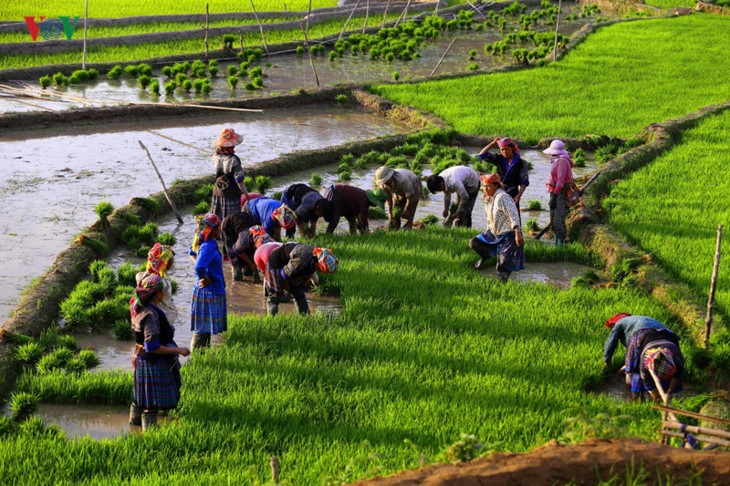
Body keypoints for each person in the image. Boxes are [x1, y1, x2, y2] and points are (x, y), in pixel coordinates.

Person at [129, 274, 190, 431]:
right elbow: (152, 346)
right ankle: (150, 438)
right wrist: (179, 350)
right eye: (163, 291)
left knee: (140, 397)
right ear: (157, 294)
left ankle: (134, 427)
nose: (164, 294)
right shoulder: (151, 315)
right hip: (152, 362)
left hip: (141, 358)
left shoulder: (139, 308)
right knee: (152, 403)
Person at [469, 173, 525, 282]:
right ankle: (486, 257)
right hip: (494, 233)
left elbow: (513, 214)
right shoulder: (489, 197)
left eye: (488, 186)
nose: (485, 189)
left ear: (496, 185)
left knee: (502, 266)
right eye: (484, 186)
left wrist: (518, 232)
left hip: (508, 234)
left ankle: (501, 286)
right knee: (474, 242)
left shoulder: (502, 197)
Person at [260, 242, 338, 316]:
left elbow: (310, 270)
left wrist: (303, 283)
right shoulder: (300, 260)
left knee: (299, 293)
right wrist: (288, 288)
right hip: (276, 264)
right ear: (318, 264)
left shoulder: (317, 256)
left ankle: (305, 317)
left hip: (290, 265)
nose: (320, 271)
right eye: (320, 269)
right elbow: (284, 275)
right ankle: (271, 318)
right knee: (275, 295)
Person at [188, 213, 227, 352]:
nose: (220, 230)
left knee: (205, 328)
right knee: (202, 329)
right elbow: (199, 266)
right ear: (213, 229)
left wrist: (203, 273)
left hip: (209, 290)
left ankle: (202, 355)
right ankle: (197, 357)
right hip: (209, 292)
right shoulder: (208, 247)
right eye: (219, 227)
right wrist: (205, 278)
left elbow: (192, 254)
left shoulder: (204, 242)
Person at [624, 322, 684, 402]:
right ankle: (636, 396)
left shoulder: (677, 358)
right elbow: (647, 382)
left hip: (667, 335)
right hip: (642, 336)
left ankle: (670, 391)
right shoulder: (645, 361)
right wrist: (657, 398)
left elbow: (678, 375)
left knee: (674, 385)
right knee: (634, 371)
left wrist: (669, 393)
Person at [211, 128, 249, 221]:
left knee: (218, 220)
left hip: (218, 191)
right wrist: (247, 196)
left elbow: (216, 174)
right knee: (232, 221)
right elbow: (240, 181)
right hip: (231, 195)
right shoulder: (234, 160)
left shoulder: (215, 156)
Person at [221, 211, 272, 282]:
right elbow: (236, 249)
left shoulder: (266, 238)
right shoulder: (245, 239)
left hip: (244, 221)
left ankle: (247, 266)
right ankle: (236, 267)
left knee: (247, 272)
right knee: (237, 277)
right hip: (228, 226)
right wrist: (252, 265)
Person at [477, 137, 529, 205]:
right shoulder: (498, 159)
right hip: (498, 191)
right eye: (502, 149)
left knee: (512, 214)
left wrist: (519, 196)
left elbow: (524, 182)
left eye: (506, 149)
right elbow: (481, 155)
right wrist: (492, 143)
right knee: (496, 213)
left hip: (512, 192)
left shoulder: (521, 163)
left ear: (512, 148)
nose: (504, 151)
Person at [135, 242, 178, 324]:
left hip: (148, 317)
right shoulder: (162, 283)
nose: (173, 262)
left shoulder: (141, 276)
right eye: (171, 260)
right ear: (165, 263)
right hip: (162, 320)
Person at [544, 139, 575, 249]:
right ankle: (556, 244)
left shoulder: (561, 161)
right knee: (554, 219)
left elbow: (561, 181)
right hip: (556, 192)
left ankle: (560, 247)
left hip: (559, 194)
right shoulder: (561, 160)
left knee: (558, 220)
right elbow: (570, 177)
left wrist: (555, 197)